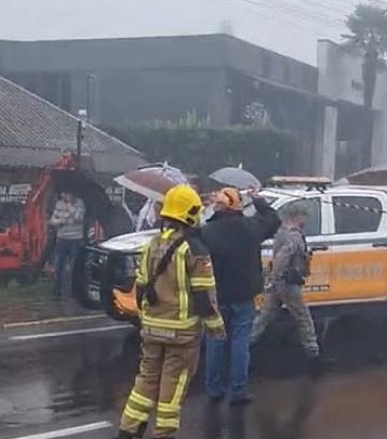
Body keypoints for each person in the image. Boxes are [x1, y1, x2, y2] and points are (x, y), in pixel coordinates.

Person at [116, 184, 226, 439]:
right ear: (190, 214)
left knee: (145, 380)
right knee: (172, 389)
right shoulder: (195, 250)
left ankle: (128, 429)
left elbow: (141, 286)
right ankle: (164, 433)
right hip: (182, 334)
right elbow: (204, 295)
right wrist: (216, 328)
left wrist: (146, 318)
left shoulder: (152, 244)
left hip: (152, 328)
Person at [201, 187, 281, 406]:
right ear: (237, 205)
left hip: (216, 296)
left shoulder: (208, 231)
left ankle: (214, 389)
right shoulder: (251, 227)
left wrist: (204, 208)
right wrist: (258, 200)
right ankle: (238, 390)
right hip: (244, 295)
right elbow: (273, 220)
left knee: (215, 342)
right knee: (240, 343)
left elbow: (191, 234)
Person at [251, 200, 320, 369]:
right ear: (299, 216)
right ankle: (314, 356)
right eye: (305, 217)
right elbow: (283, 258)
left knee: (264, 317)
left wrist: (272, 280)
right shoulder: (294, 236)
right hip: (288, 283)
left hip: (278, 283)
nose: (306, 221)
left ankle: (245, 345)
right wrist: (277, 276)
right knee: (303, 318)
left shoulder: (281, 232)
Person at [49, 191, 85, 298]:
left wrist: (70, 207)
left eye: (66, 193)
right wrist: (61, 221)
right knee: (58, 266)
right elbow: (53, 220)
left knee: (74, 266)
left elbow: (79, 217)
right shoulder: (59, 204)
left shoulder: (79, 203)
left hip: (76, 239)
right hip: (62, 238)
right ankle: (57, 292)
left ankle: (74, 292)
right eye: (63, 193)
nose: (64, 195)